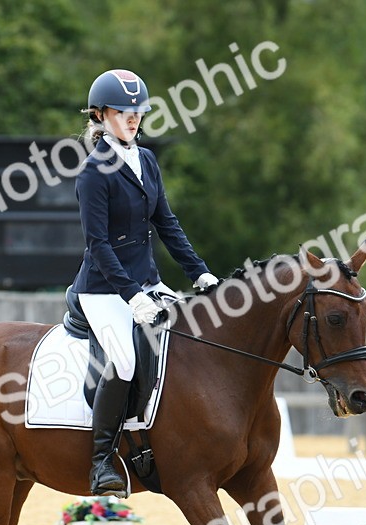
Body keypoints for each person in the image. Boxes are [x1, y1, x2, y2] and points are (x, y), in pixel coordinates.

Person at [72, 68, 220, 497]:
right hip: (103, 290)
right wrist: (132, 296)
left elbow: (166, 223)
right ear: (100, 116)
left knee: (192, 337)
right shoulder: (93, 173)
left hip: (147, 281)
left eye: (137, 112)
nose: (132, 118)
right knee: (124, 361)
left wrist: (199, 272)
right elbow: (99, 245)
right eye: (122, 112)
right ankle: (102, 461)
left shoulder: (147, 160)